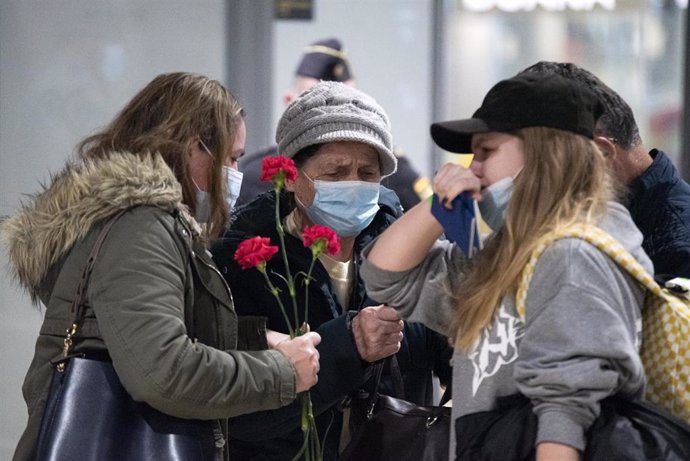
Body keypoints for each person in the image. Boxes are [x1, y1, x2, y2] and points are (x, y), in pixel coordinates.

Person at [1, 72, 321, 461]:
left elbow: (140, 329)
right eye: (232, 158)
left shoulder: (143, 223)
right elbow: (162, 371)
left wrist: (257, 340)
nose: (236, 173)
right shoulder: (141, 227)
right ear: (192, 149)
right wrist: (280, 372)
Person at [360, 73, 652, 460]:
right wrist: (439, 207)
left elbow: (566, 412)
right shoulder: (505, 252)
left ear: (546, 154)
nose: (472, 168)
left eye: (487, 151)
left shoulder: (574, 255)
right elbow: (385, 276)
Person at [211, 81, 452, 460]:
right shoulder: (244, 260)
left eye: (367, 173)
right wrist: (347, 345)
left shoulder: (405, 256)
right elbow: (235, 413)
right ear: (291, 175)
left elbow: (451, 363)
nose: (353, 184)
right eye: (335, 173)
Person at [520, 61, 690, 282]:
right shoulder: (612, 219)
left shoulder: (676, 250)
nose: (532, 181)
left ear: (600, 154)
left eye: (541, 163)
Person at [236, 37, 431, 211]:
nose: (335, 116)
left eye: (348, 102)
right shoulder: (256, 178)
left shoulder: (393, 173)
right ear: (289, 102)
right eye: (319, 104)